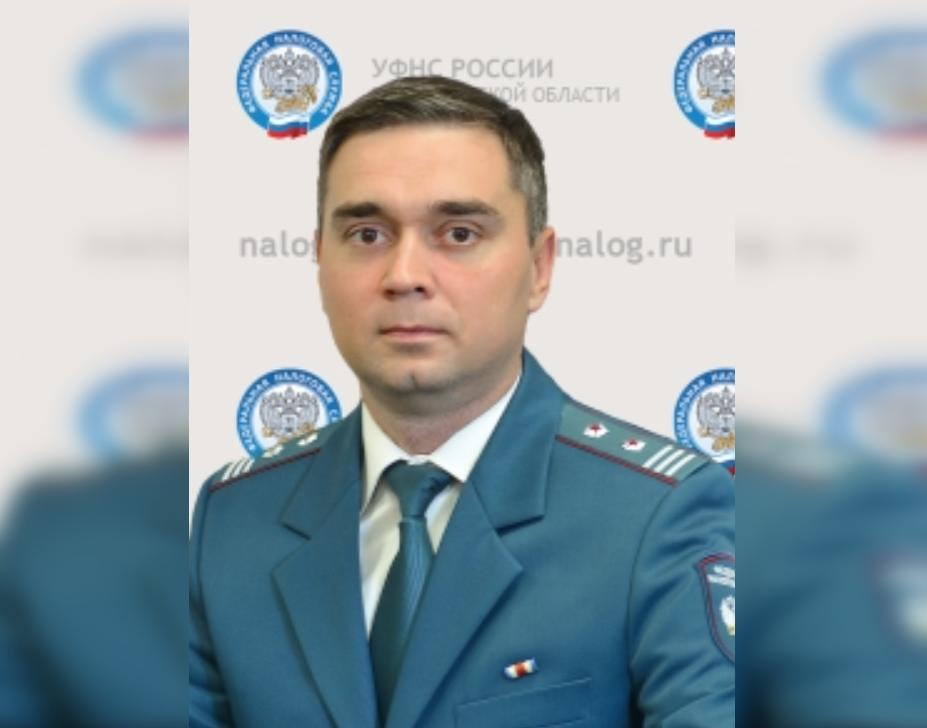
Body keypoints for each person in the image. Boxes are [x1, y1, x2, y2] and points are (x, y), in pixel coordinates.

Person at [189, 75, 735, 728]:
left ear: (539, 268)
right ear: (320, 263)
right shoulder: (233, 519)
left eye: (458, 233)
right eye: (367, 234)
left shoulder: (656, 515)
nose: (404, 276)